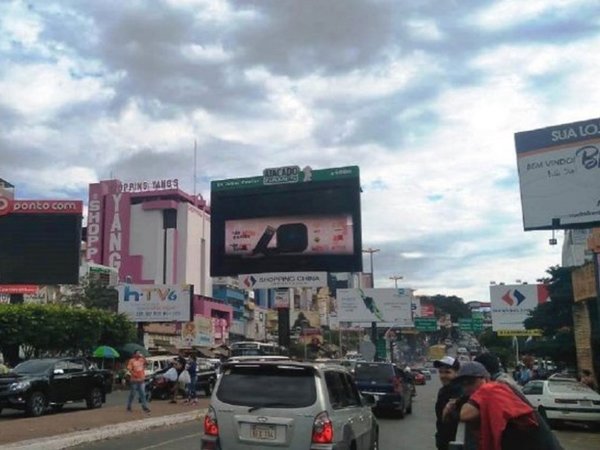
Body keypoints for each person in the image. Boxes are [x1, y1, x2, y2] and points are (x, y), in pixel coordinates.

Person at [458, 362, 561, 450]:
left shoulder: (490, 389)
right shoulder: (500, 389)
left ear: (485, 379)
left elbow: (465, 414)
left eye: (471, 382)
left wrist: (453, 406)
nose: (467, 388)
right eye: (463, 384)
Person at [433, 356, 462, 450]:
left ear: (457, 373)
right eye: (441, 372)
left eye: (447, 372)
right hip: (444, 441)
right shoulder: (444, 390)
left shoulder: (460, 391)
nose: (443, 376)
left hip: (454, 443)